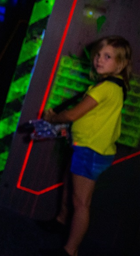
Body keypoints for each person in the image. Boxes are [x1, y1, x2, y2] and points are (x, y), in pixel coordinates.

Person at [40, 36, 132, 256]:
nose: (99, 60)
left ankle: (70, 250)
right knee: (68, 185)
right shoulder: (114, 85)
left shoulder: (105, 88)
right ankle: (61, 220)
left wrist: (52, 118)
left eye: (107, 57)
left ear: (120, 64)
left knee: (81, 202)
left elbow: (72, 115)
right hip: (85, 146)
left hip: (91, 150)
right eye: (98, 55)